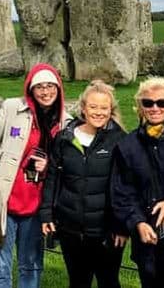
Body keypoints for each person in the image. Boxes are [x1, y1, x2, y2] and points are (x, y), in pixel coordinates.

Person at [0, 63, 70, 288]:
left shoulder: (66, 122)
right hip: (4, 200)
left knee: (31, 265)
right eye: (39, 86)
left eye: (50, 86)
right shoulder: (13, 108)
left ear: (59, 88)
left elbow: (68, 163)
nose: (45, 91)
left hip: (37, 205)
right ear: (30, 90)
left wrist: (49, 163)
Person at [40, 80, 128, 288]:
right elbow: (52, 178)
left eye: (104, 108)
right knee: (78, 282)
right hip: (71, 227)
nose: (98, 112)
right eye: (93, 107)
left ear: (111, 110)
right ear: (83, 109)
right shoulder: (65, 139)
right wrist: (46, 214)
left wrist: (122, 226)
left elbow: (126, 186)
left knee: (109, 281)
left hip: (106, 231)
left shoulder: (120, 141)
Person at [111, 77, 164, 288]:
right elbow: (122, 190)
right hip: (146, 234)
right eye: (148, 103)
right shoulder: (128, 145)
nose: (155, 108)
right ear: (140, 106)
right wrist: (137, 222)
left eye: (162, 103)